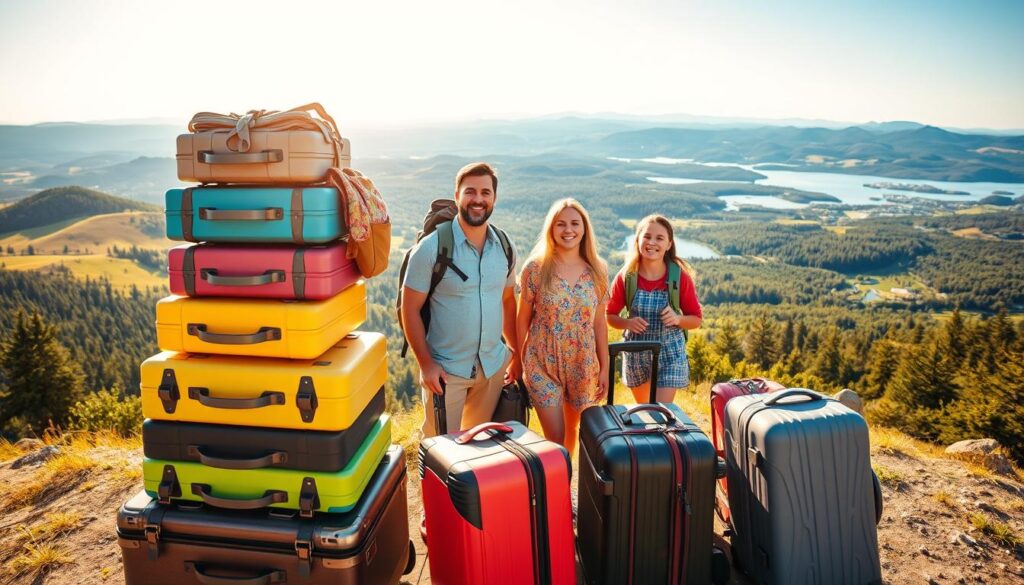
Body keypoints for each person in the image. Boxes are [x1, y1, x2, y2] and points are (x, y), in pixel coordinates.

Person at [401, 162, 520, 437]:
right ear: (457, 196)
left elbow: (507, 301)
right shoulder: (431, 249)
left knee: (478, 446)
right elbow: (410, 309)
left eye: (485, 192)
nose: (478, 199)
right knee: (439, 448)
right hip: (445, 373)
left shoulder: (505, 247)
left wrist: (515, 354)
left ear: (494, 198)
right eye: (470, 192)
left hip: (492, 368)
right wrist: (426, 365)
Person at [517, 198, 609, 457]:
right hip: (542, 361)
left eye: (575, 223)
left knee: (574, 429)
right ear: (551, 228)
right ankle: (555, 479)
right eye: (561, 224)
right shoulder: (536, 268)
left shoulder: (598, 270)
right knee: (555, 437)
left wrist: (605, 367)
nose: (568, 230)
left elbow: (599, 322)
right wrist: (518, 361)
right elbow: (522, 319)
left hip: (583, 361)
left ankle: (564, 478)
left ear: (584, 228)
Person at [607, 214, 702, 404]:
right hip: (636, 352)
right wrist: (627, 323)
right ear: (638, 240)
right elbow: (609, 315)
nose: (652, 242)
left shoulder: (678, 277)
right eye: (647, 236)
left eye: (659, 238)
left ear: (668, 244)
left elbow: (696, 319)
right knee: (644, 410)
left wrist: (677, 319)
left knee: (659, 411)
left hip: (669, 353)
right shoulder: (627, 276)